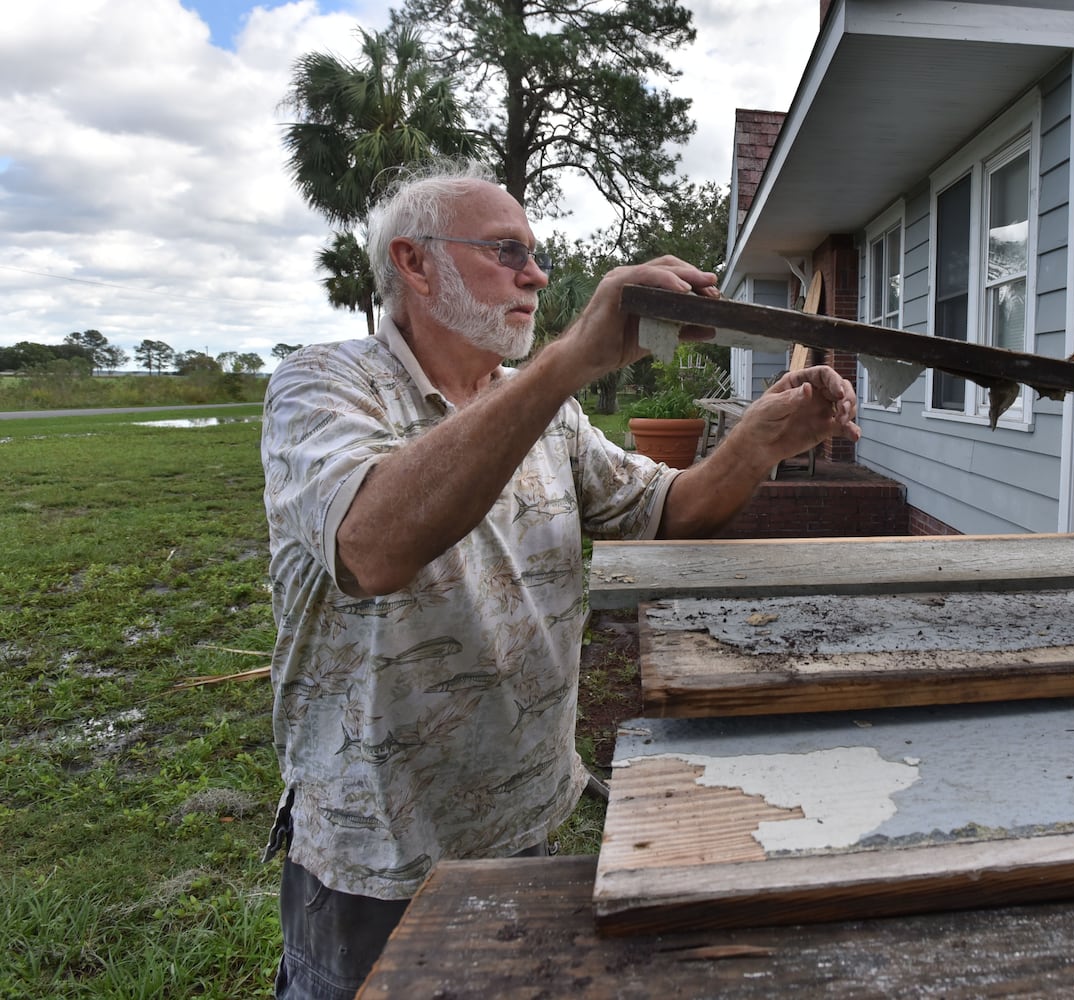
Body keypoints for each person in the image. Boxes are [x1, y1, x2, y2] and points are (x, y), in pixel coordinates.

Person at [259, 160, 860, 999]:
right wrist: (572, 358)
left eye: (534, 254)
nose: (536, 275)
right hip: (376, 849)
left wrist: (761, 438)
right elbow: (372, 545)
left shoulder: (553, 416)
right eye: (507, 251)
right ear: (415, 262)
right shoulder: (325, 385)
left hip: (527, 811)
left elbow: (667, 509)